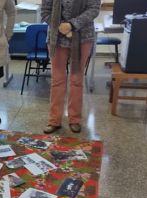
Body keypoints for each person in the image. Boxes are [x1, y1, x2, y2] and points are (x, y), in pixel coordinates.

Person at [41, 0, 100, 134]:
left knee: (76, 80)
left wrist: (71, 25)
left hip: (83, 37)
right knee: (57, 80)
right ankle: (54, 120)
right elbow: (45, 12)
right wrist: (61, 26)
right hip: (57, 36)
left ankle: (74, 119)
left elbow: (94, 8)